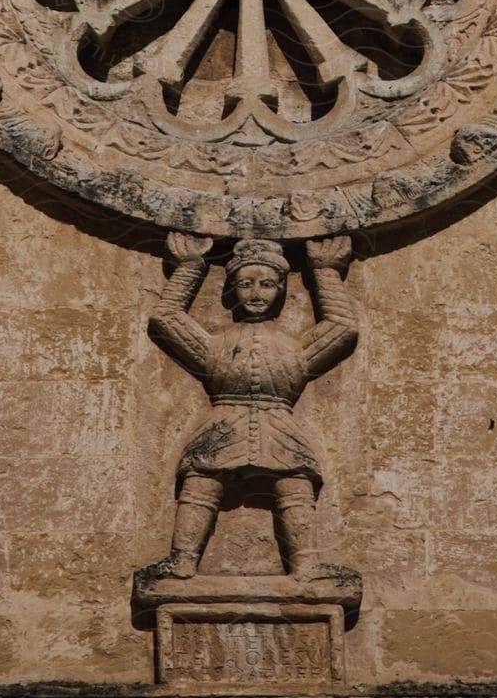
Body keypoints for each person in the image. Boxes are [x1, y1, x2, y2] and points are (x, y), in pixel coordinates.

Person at [145, 231, 357, 579]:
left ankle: (306, 563)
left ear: (282, 291)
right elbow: (166, 319)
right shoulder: (217, 346)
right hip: (224, 419)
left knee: (296, 482)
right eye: (245, 284)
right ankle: (182, 559)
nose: (256, 293)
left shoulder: (294, 349)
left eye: (267, 285)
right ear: (231, 290)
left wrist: (325, 270)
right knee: (200, 478)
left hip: (278, 422)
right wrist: (190, 267)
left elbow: (342, 327)